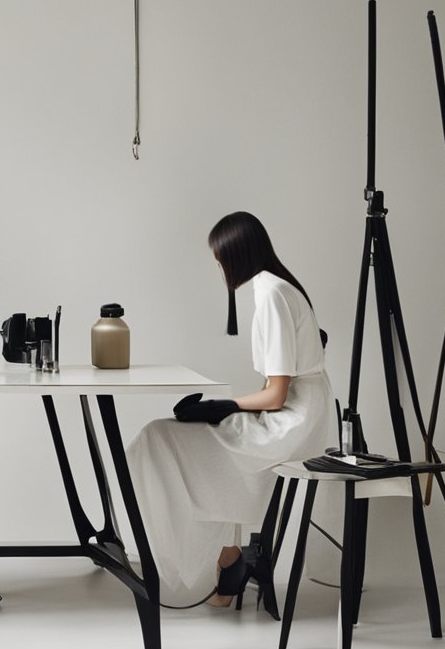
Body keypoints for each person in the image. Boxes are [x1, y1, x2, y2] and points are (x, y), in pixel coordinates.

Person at [126, 212, 335, 607]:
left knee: (157, 438)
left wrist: (226, 406)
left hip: (294, 423)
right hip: (299, 414)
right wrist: (229, 411)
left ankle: (224, 558)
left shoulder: (272, 295)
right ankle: (229, 557)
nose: (218, 264)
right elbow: (275, 388)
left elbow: (275, 395)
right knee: (173, 438)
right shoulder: (277, 287)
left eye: (220, 256)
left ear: (236, 254)